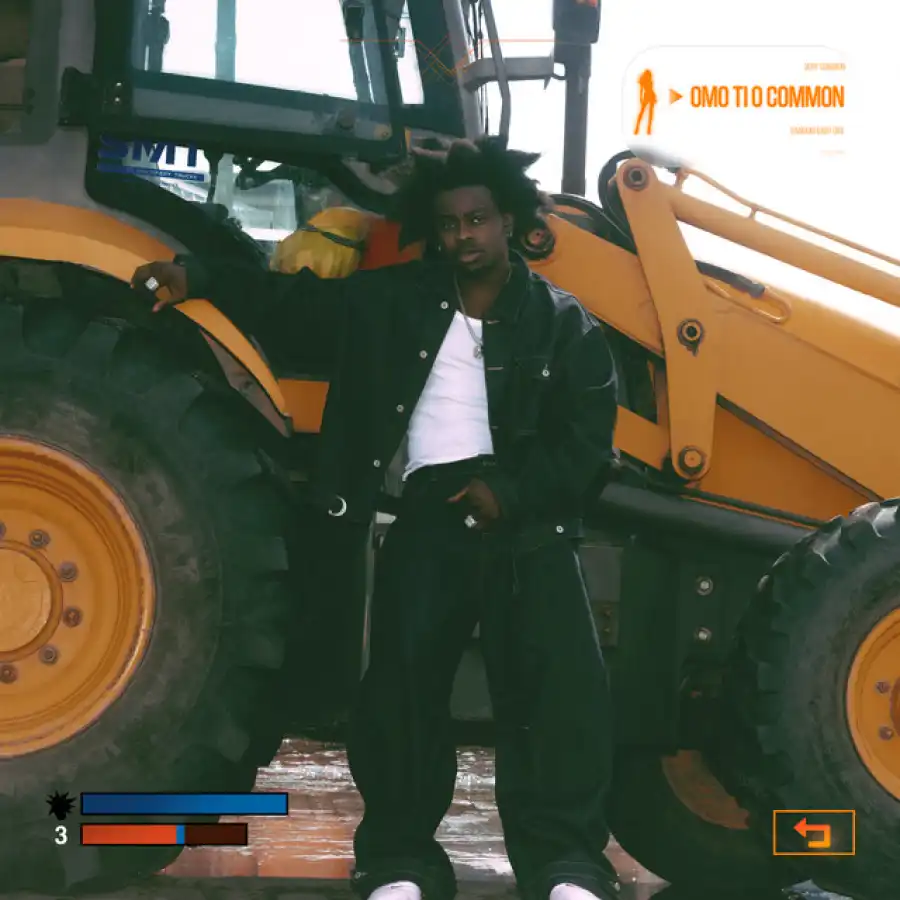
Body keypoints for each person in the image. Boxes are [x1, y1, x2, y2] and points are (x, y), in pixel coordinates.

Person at [132, 136, 621, 900]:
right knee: (401, 697)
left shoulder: (563, 323)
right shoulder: (393, 300)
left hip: (529, 527)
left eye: (477, 220)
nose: (463, 236)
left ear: (508, 221)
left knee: (555, 699)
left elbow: (588, 443)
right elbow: (293, 304)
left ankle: (567, 870)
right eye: (449, 223)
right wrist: (198, 276)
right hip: (427, 517)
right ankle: (399, 864)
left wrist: (512, 495)